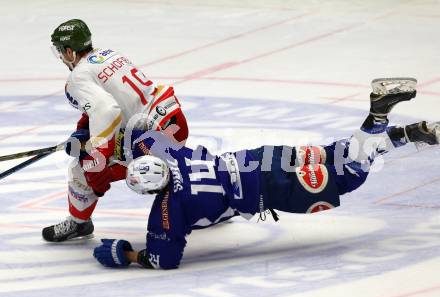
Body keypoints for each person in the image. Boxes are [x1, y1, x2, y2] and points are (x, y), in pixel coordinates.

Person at [92, 77, 439, 269]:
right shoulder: (170, 153)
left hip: (272, 189)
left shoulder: (168, 209)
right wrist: (99, 140)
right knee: (339, 154)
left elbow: (163, 259)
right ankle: (407, 135)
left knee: (349, 177)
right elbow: (139, 130)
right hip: (260, 158)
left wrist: (125, 254)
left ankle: (378, 115)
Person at [42, 19, 189, 242]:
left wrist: (95, 157)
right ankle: (213, 192)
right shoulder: (107, 54)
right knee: (177, 165)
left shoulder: (77, 77)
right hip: (173, 123)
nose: (61, 57)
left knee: (81, 170)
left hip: (150, 140)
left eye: (62, 52)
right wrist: (83, 131)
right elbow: (116, 101)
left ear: (70, 52)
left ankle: (78, 223)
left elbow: (106, 111)